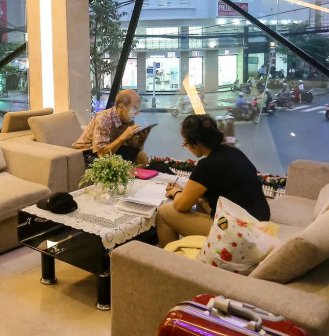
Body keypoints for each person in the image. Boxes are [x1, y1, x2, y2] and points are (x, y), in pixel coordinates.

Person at [156, 115, 270, 246]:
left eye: (185, 144)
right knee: (200, 200)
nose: (186, 147)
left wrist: (176, 192)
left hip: (241, 231)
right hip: (259, 219)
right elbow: (222, 187)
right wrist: (184, 191)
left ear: (196, 143)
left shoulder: (206, 165)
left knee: (164, 212)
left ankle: (167, 257)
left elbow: (181, 206)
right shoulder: (233, 152)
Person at [72, 89, 148, 165]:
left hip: (111, 149)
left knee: (141, 157)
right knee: (116, 165)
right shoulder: (104, 118)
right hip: (88, 152)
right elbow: (101, 154)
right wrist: (123, 137)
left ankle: (132, 172)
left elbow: (132, 147)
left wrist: (141, 140)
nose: (137, 113)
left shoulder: (128, 119)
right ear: (121, 106)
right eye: (134, 109)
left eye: (138, 109)